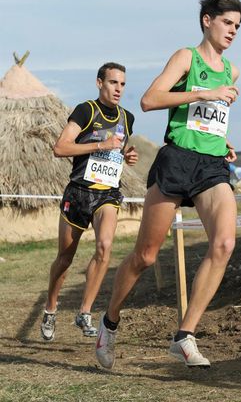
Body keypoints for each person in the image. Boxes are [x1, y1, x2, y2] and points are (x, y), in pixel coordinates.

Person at [96, 0, 241, 369]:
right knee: (145, 256)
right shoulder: (186, 57)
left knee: (224, 243)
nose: (233, 31)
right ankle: (109, 321)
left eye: (238, 26)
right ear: (207, 20)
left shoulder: (233, 71)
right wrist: (205, 91)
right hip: (177, 160)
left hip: (211, 165)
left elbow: (205, 118)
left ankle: (184, 335)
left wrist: (221, 140)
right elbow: (149, 100)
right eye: (227, 22)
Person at [40, 62, 138, 341]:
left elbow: (120, 150)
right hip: (79, 192)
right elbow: (60, 148)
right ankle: (50, 309)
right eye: (113, 83)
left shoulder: (128, 118)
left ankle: (84, 312)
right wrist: (98, 145)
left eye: (122, 84)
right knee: (65, 259)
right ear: (99, 83)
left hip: (108, 192)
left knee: (105, 247)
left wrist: (128, 156)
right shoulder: (86, 111)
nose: (118, 88)